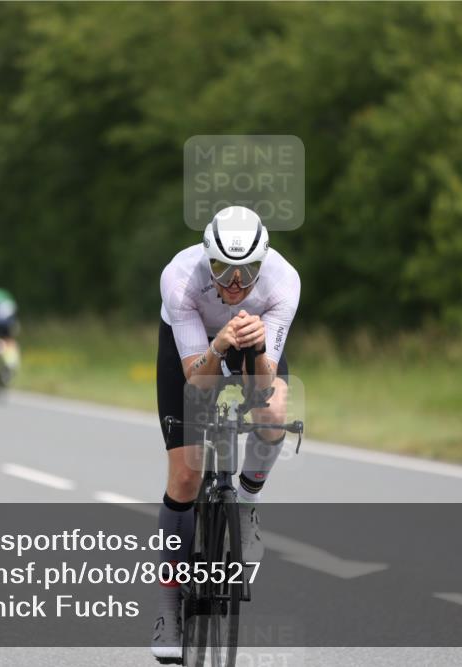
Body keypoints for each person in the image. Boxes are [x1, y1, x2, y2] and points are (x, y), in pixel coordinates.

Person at [151, 206, 300, 661]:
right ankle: (170, 609)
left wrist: (255, 344)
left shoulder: (282, 283)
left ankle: (248, 506)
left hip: (252, 346)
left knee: (272, 414)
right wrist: (218, 344)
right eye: (222, 269)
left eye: (247, 271)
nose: (235, 284)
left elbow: (260, 388)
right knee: (184, 479)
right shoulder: (179, 278)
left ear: (264, 261)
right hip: (196, 349)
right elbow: (197, 382)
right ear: (205, 257)